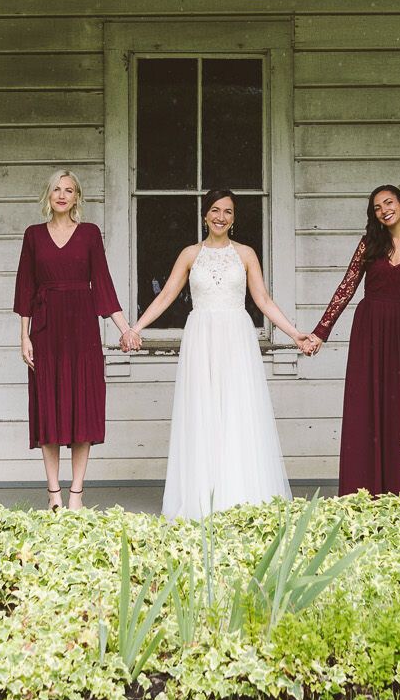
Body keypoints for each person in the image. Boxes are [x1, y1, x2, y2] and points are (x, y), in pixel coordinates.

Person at [125, 188, 310, 519]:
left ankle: (239, 493)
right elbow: (167, 295)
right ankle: (202, 495)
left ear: (234, 218)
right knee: (203, 410)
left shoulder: (246, 254)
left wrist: (295, 334)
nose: (220, 216)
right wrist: (135, 328)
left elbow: (263, 301)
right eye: (214, 210)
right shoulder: (190, 254)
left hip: (236, 338)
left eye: (227, 211)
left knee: (237, 410)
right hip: (202, 338)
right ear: (204, 214)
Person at [303, 184, 400, 496]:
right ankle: (363, 494)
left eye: (389, 203)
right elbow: (346, 288)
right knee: (365, 409)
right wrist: (320, 333)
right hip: (368, 332)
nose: (384, 210)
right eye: (378, 207)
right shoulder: (370, 243)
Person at [14, 171, 135, 510]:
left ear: (78, 197)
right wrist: (24, 336)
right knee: (49, 407)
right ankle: (54, 494)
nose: (62, 195)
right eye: (56, 189)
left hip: (82, 330)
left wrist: (125, 328)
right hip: (46, 329)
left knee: (83, 405)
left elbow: (103, 283)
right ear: (48, 195)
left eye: (69, 190)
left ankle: (76, 495)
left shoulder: (89, 234)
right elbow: (25, 287)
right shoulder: (34, 236)